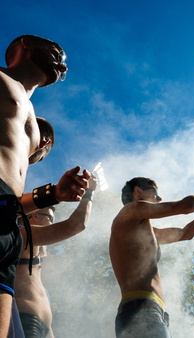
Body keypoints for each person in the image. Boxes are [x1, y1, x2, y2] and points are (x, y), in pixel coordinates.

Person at [0, 34, 88, 338]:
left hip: (6, 227)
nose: (62, 62)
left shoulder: (33, 124)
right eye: (55, 51)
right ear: (26, 45)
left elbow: (7, 197)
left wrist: (54, 193)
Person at [110, 178, 194, 338]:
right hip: (140, 312)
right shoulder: (129, 212)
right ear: (138, 192)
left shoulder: (142, 229)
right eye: (155, 193)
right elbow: (186, 206)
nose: (159, 198)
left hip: (147, 312)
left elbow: (186, 233)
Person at [14, 175, 97, 338]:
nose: (52, 223)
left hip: (41, 326)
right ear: (35, 216)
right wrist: (90, 192)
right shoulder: (21, 235)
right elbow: (76, 225)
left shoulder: (37, 252)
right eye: (50, 218)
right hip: (26, 322)